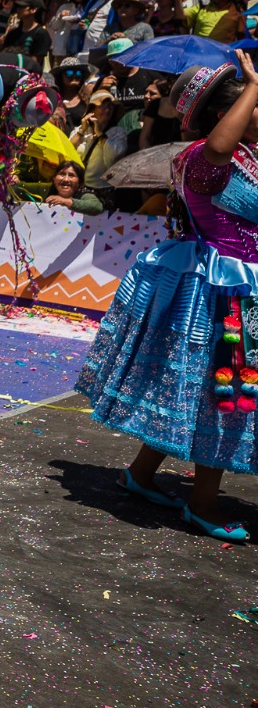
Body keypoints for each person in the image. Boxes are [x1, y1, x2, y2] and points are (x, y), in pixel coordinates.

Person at [79, 60, 258, 543]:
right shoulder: (205, 156)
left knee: (208, 388)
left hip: (236, 289)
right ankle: (201, 505)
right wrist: (255, 84)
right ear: (228, 113)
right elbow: (220, 147)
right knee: (226, 392)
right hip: (222, 292)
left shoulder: (248, 157)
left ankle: (138, 474)